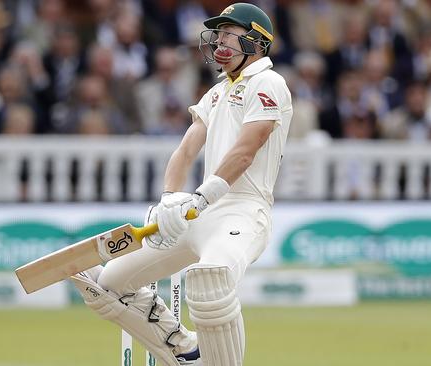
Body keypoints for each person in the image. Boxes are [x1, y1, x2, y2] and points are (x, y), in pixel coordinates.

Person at [70, 3, 292, 366]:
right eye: (217, 34)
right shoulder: (217, 92)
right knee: (106, 285)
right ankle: (185, 348)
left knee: (210, 279)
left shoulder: (269, 83)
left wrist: (202, 198)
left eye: (229, 34)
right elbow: (187, 149)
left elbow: (246, 151)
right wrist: (170, 198)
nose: (219, 41)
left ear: (256, 40)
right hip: (200, 213)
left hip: (242, 211)